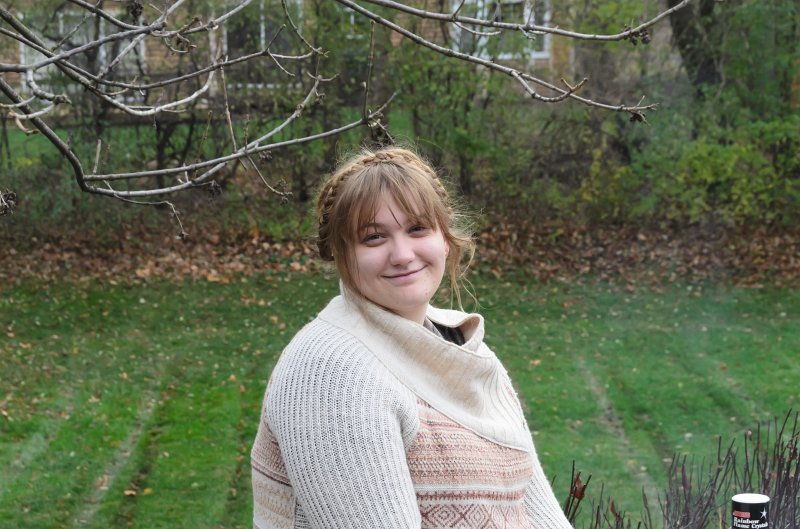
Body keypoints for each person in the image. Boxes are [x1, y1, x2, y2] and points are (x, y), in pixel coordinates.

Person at [250, 147, 574, 529]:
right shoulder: (330, 374)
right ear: (339, 252)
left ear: (445, 238)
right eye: (373, 237)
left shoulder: (462, 347)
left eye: (418, 229)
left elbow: (538, 511)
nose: (403, 254)